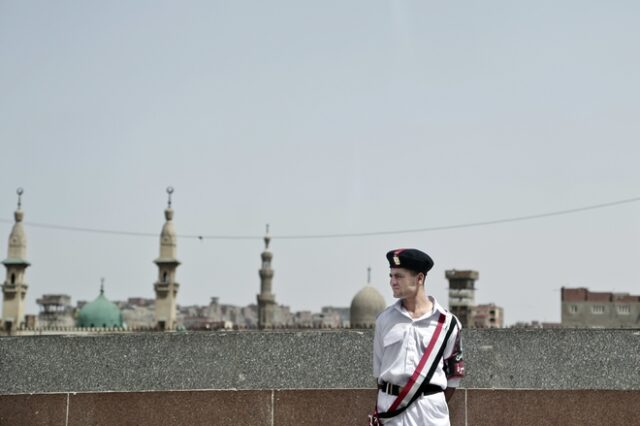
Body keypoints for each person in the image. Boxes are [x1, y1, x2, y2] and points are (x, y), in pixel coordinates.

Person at [372, 248, 464, 426]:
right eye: (390, 276)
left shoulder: (448, 323)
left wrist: (428, 401)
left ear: (419, 278)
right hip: (392, 412)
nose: (392, 282)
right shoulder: (384, 320)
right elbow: (378, 373)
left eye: (399, 276)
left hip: (430, 414)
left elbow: (453, 378)